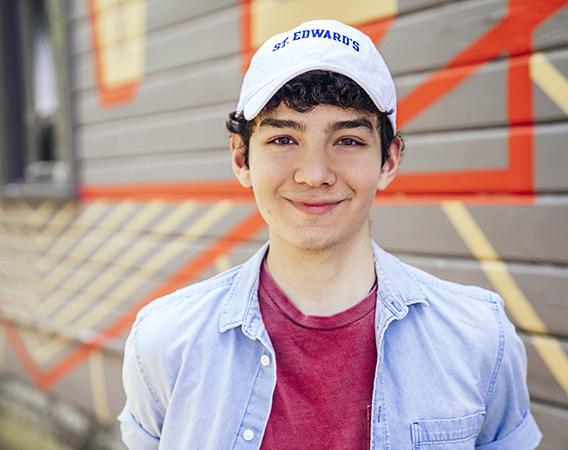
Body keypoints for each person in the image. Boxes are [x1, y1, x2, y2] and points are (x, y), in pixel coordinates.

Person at [118, 19, 542, 450]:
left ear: (389, 160)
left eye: (349, 140)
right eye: (284, 139)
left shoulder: (479, 338)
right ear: (242, 157)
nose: (315, 174)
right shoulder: (166, 341)